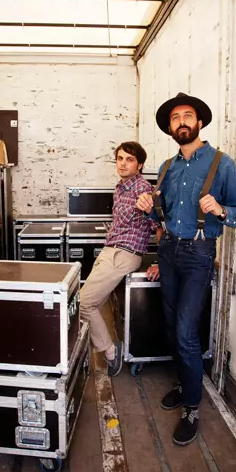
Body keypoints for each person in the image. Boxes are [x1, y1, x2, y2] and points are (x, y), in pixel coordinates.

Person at [136, 92, 236, 446]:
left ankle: (192, 406)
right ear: (170, 128)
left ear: (199, 122)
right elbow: (162, 214)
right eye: (175, 118)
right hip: (168, 251)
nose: (181, 122)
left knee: (186, 330)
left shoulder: (221, 163)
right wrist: (147, 206)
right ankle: (185, 383)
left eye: (188, 116)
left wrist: (219, 209)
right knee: (172, 324)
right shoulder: (168, 167)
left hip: (199, 254)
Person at [79, 142, 161, 377]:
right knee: (89, 303)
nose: (123, 163)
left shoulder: (143, 190)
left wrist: (160, 261)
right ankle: (95, 347)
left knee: (85, 303)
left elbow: (158, 226)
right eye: (120, 158)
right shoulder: (121, 187)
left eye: (130, 160)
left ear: (140, 165)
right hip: (111, 250)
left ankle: (110, 351)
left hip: (125, 254)